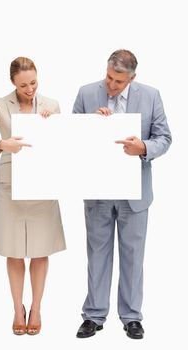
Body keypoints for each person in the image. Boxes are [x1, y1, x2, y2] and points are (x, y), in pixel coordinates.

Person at [73, 49, 172, 339]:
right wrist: (91, 125)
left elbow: (164, 137)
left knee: (133, 256)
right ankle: (93, 315)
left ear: (132, 78)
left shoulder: (151, 96)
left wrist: (143, 147)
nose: (111, 85)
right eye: (108, 77)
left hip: (135, 193)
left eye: (118, 81)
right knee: (97, 256)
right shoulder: (86, 93)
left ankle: (131, 317)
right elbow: (71, 138)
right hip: (98, 192)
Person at [0, 57, 66, 335]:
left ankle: (36, 308)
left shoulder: (52, 104)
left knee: (40, 250)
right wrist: (2, 143)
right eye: (23, 84)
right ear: (12, 82)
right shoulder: (0, 104)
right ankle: (16, 309)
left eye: (34, 82)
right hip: (11, 185)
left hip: (43, 185)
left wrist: (53, 125)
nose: (30, 89)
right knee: (13, 252)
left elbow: (64, 145)